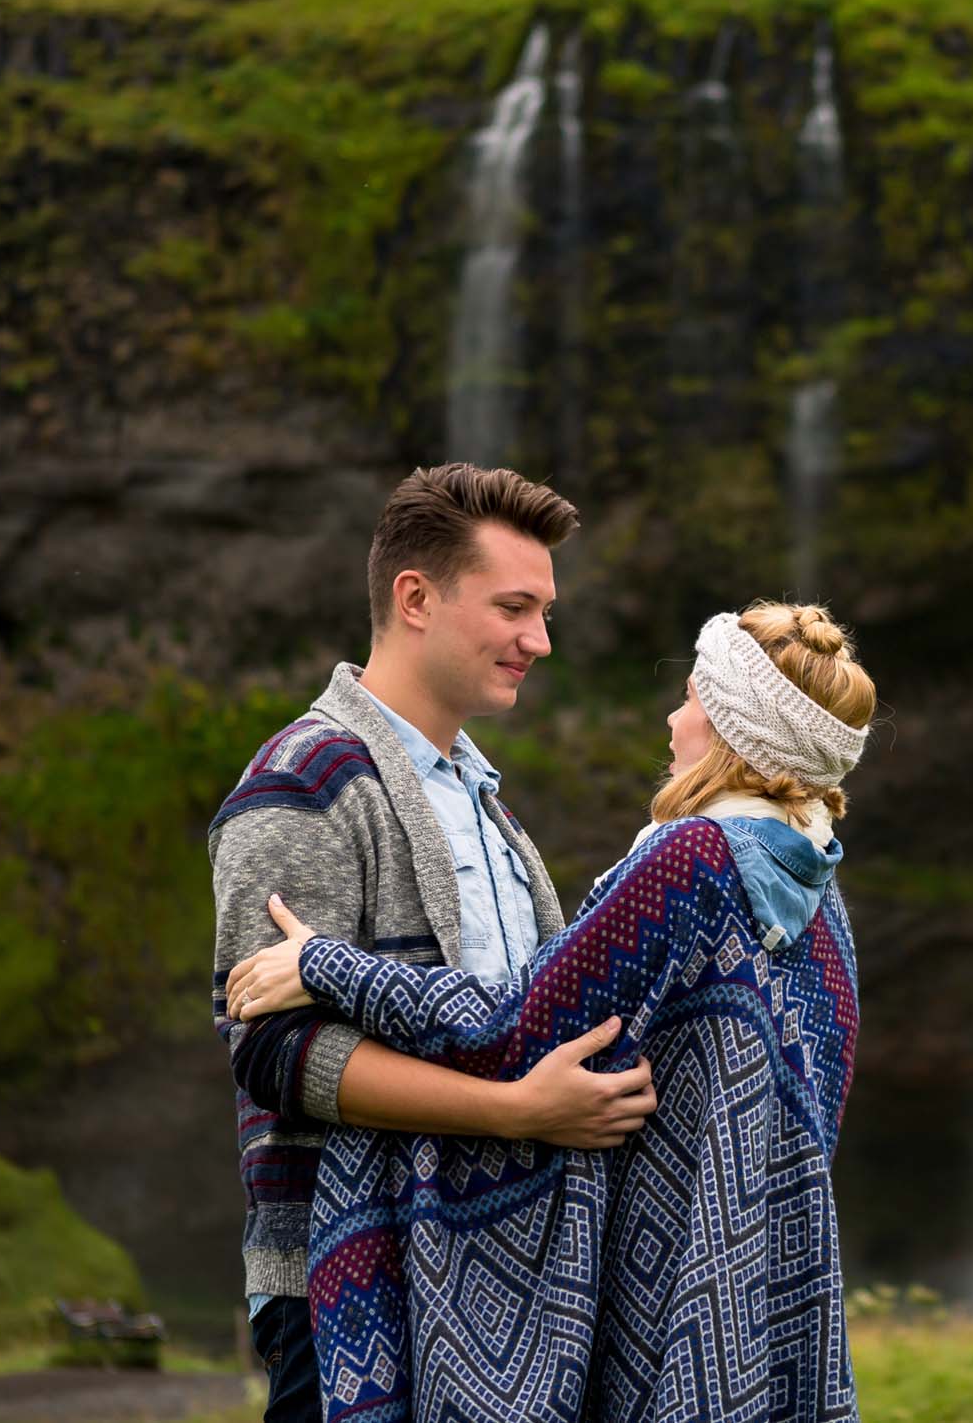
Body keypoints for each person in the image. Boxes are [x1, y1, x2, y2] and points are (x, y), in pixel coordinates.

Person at [227, 601, 875, 1423]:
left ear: (731, 732)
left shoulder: (690, 859)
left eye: (690, 701)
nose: (673, 720)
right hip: (769, 1292)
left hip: (665, 1295)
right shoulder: (823, 908)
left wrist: (324, 964)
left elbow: (515, 1027)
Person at [208, 464, 659, 1423]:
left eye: (544, 611)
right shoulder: (302, 780)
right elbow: (268, 1049)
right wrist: (515, 1111)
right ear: (415, 597)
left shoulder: (486, 806)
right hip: (339, 1286)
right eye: (514, 606)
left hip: (486, 1269)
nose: (539, 639)